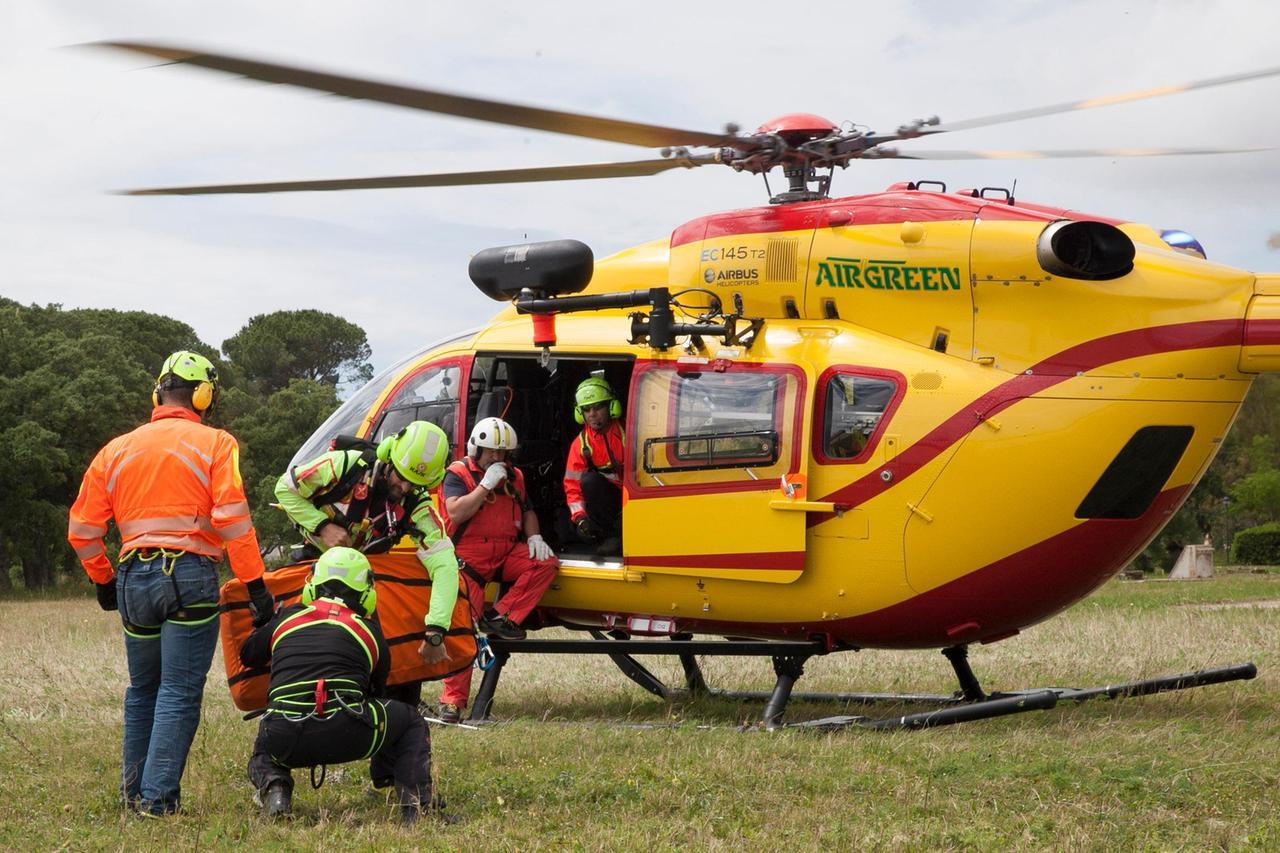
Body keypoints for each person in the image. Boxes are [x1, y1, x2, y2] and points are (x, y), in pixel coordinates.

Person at [68, 350, 274, 816]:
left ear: (157, 392)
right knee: (178, 690)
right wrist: (255, 584)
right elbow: (233, 520)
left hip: (132, 579)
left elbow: (81, 529)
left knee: (143, 689)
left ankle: (131, 793)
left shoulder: (115, 450)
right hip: (188, 577)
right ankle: (157, 801)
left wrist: (103, 580)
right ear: (204, 396)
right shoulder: (217, 444)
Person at [243, 547, 437, 824]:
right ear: (366, 591)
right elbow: (376, 691)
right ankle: (414, 806)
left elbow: (248, 655)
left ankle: (275, 788)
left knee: (265, 746)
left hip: (285, 737)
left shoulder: (286, 619)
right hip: (349, 732)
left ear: (312, 583)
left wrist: (264, 622)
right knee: (409, 720)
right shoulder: (367, 630)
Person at [274, 420, 460, 704]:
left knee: (385, 654)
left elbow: (445, 564)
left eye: (416, 484)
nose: (405, 486)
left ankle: (392, 710)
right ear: (390, 456)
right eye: (401, 476)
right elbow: (285, 489)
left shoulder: (417, 506)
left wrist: (435, 630)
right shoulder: (344, 466)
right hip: (316, 569)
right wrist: (322, 526)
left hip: (364, 584)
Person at [436, 417, 558, 723]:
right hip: (468, 562)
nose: (497, 458)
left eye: (503, 453)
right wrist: (485, 485)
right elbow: (456, 511)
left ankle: (501, 617)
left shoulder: (514, 477)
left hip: (504, 553)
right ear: (477, 450)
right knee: (461, 631)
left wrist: (534, 536)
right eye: (491, 452)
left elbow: (527, 508)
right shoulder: (457, 474)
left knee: (545, 563)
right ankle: (452, 703)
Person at [563, 377, 625, 554]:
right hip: (606, 501)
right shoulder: (581, 445)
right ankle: (611, 535)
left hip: (632, 496)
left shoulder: (628, 432)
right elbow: (572, 487)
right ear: (579, 413)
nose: (592, 414)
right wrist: (580, 518)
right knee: (589, 481)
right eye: (586, 409)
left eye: (598, 407)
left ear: (611, 407)